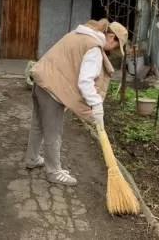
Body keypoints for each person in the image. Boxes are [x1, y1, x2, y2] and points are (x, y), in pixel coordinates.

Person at [25, 19, 128, 186]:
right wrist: (96, 105)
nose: (112, 51)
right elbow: (85, 82)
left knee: (38, 125)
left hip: (41, 81)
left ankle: (32, 158)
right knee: (54, 131)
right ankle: (54, 172)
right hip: (53, 90)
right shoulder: (93, 47)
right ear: (110, 37)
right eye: (115, 47)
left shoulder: (79, 34)